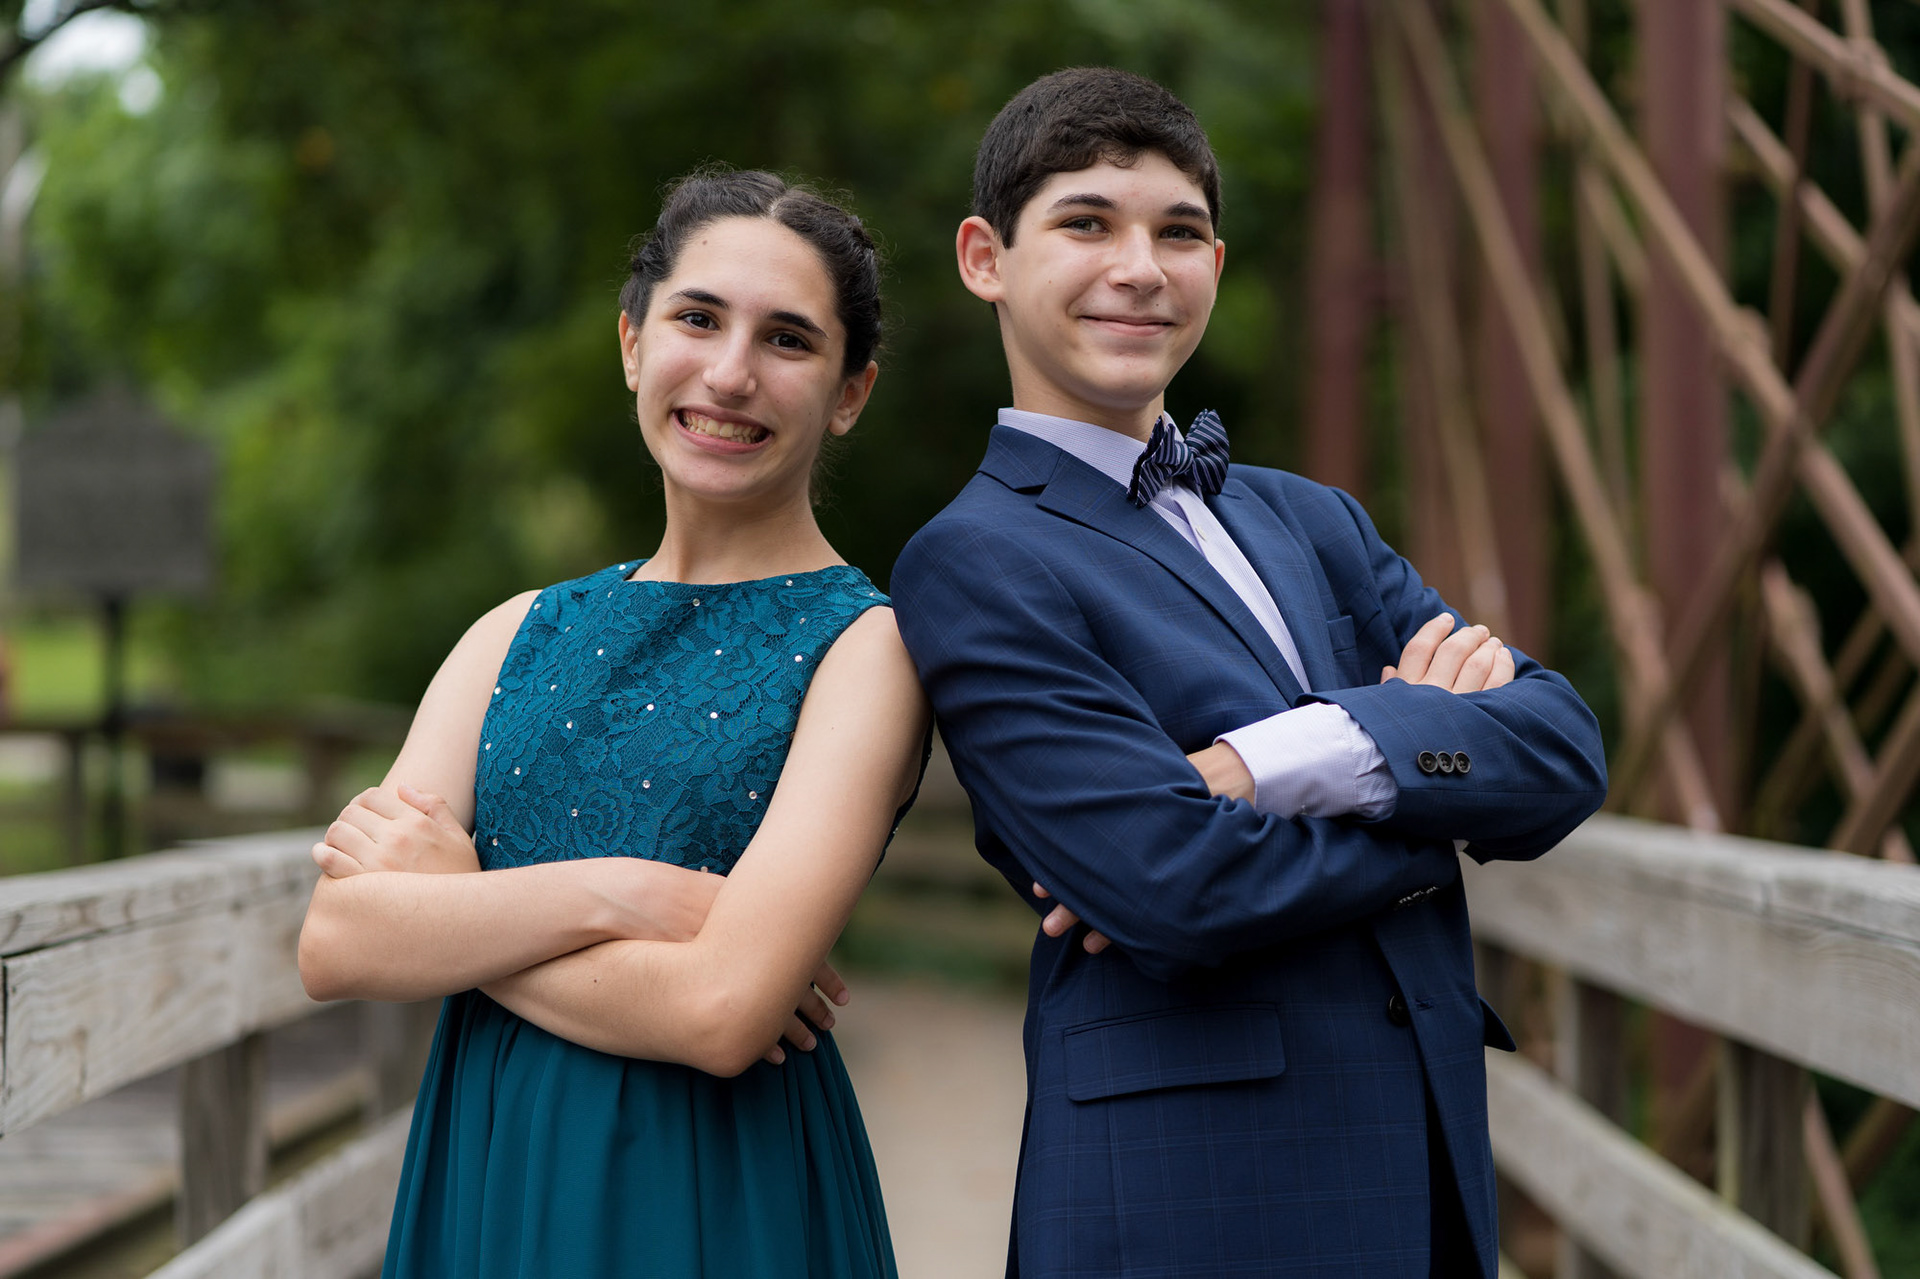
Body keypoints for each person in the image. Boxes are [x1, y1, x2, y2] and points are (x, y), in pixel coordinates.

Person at [890, 68, 1607, 1278]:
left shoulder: (1313, 519)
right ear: (984, 258)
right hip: (1191, 1200)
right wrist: (1427, 794)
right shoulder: (973, 557)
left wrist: (1267, 763)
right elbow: (1171, 881)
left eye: (1178, 233)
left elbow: (1564, 748)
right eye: (1087, 223)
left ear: (1215, 266)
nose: (1140, 268)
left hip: (1425, 1176)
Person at [297, 168, 929, 1279]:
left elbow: (723, 1010)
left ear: (850, 392)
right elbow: (339, 941)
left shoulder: (868, 651)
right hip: (493, 1165)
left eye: (787, 339)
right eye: (698, 319)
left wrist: (457, 908)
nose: (730, 373)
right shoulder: (514, 632)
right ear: (634, 343)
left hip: (715, 1190)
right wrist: (617, 892)